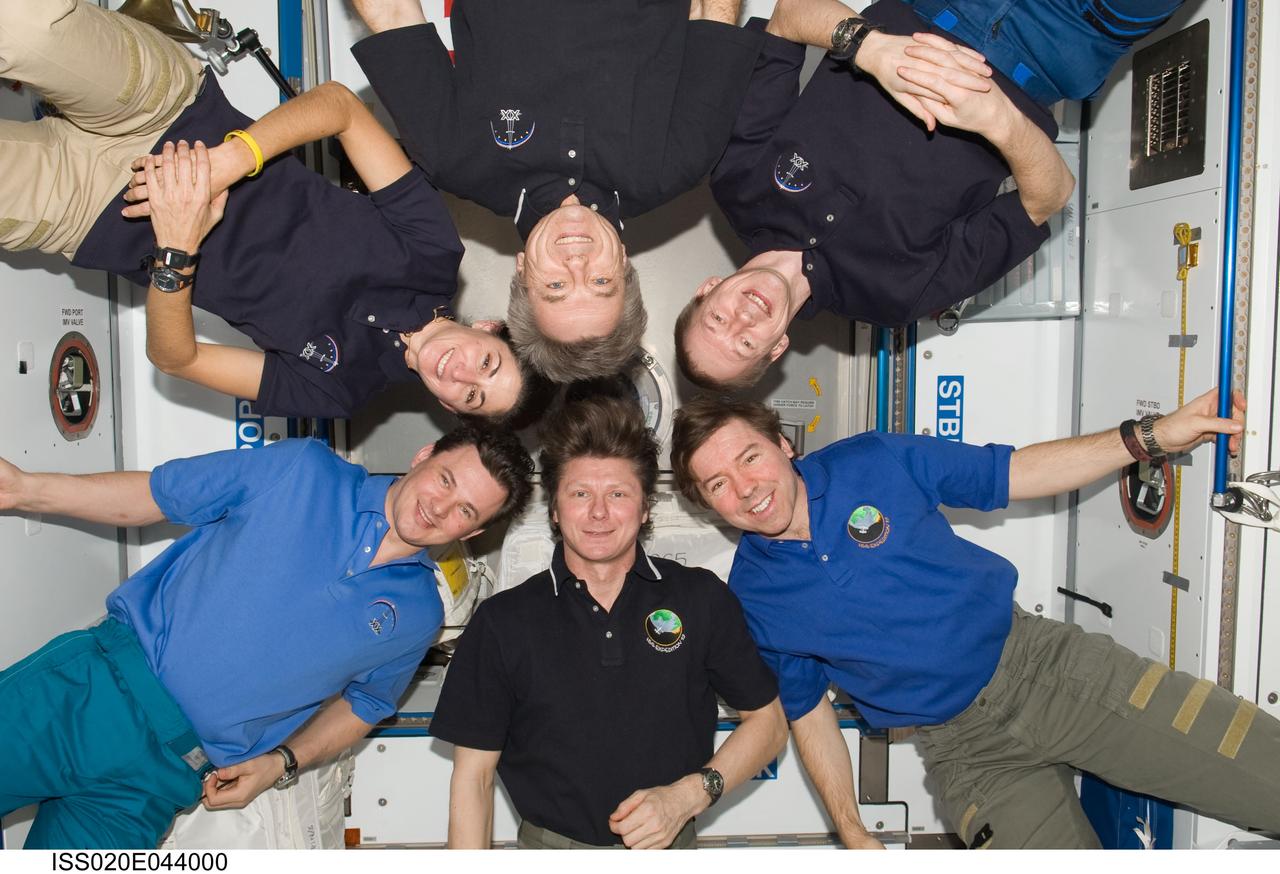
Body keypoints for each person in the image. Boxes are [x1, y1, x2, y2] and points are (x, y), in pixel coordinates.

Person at [669, 389, 1280, 848]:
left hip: (1051, 673)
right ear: (707, 506)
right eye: (717, 483)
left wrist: (1148, 437)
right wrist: (851, 831)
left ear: (783, 444)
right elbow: (805, 711)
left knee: (1265, 775)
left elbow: (1013, 472)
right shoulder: (752, 595)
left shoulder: (876, 459)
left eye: (750, 456)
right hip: (966, 755)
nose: (745, 488)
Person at [0, 0, 547, 421]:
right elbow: (341, 108)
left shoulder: (341, 390)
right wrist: (225, 164)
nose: (460, 375)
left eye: (472, 397)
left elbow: (178, 360)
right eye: (486, 364)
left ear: (451, 410)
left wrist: (177, 250)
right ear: (489, 327)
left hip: (94, 214)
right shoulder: (433, 251)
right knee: (24, 28)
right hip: (169, 114)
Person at [0, 425, 534, 849]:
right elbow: (158, 495)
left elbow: (368, 704)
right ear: (424, 456)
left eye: (466, 509)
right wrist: (25, 489)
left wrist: (284, 762)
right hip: (88, 695)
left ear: (472, 533)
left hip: (157, 784)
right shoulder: (303, 470)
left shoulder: (418, 614)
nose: (440, 507)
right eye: (446, 479)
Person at [676, 0, 1182, 390]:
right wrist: (1000, 121)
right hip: (1067, 41)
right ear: (776, 348)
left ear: (708, 288)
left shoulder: (735, 180)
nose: (743, 317)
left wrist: (869, 48)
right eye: (744, 343)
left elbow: (787, 16)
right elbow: (1049, 198)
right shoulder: (895, 298)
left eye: (718, 319)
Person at [430, 393, 786, 848]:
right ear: (555, 510)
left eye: (618, 494)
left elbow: (769, 722)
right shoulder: (503, 622)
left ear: (644, 509)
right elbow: (473, 780)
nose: (599, 512)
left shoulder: (701, 598)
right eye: (580, 494)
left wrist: (689, 796)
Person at [346, 0, 767, 382]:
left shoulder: (454, 161)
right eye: (601, 281)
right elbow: (715, 12)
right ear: (623, 263)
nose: (577, 263)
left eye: (556, 288)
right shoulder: (680, 164)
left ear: (523, 271)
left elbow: (392, 14)